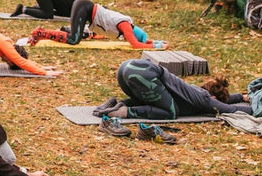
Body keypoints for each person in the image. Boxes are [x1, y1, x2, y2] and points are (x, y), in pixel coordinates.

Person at [95, 59, 252, 123]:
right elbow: (230, 109)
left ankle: (114, 104)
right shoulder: (204, 98)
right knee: (170, 112)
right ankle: (121, 112)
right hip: (142, 71)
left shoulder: (192, 93)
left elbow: (227, 101)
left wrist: (243, 97)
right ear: (213, 97)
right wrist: (255, 108)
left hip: (127, 67)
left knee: (152, 101)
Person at [28, 0, 166, 49]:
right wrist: (155, 46)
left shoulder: (127, 29)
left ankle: (45, 32)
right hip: (84, 8)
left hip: (87, 13)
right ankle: (42, 33)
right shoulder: (126, 25)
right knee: (74, 40)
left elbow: (140, 40)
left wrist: (156, 42)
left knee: (82, 35)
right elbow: (136, 44)